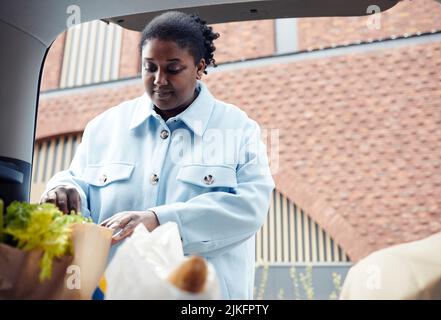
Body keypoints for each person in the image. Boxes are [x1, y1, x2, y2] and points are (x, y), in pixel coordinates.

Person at [40, 11, 274, 299]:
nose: (159, 80)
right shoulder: (104, 127)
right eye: (149, 67)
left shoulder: (238, 128)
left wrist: (159, 221)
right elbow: (78, 186)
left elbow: (250, 208)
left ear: (199, 67)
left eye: (173, 69)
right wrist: (63, 188)